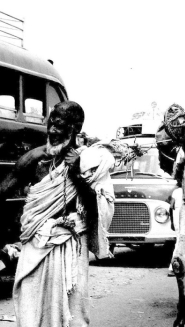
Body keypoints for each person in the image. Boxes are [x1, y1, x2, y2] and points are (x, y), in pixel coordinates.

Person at [0, 101, 115, 326]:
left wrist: (77, 175)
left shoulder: (89, 162)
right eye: (50, 124)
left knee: (73, 312)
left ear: (75, 128)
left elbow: (98, 210)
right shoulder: (34, 159)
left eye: (59, 126)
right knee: (31, 308)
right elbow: (3, 190)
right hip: (36, 244)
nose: (52, 130)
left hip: (71, 246)